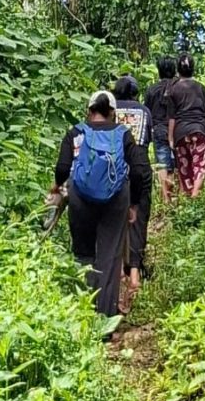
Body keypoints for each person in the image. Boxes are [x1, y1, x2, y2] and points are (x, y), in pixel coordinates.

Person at [52, 90, 152, 324]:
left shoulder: (76, 132)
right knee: (109, 258)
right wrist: (133, 204)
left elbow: (63, 168)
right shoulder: (123, 134)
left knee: (84, 255)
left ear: (89, 111)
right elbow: (138, 172)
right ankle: (105, 323)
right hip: (116, 200)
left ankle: (84, 316)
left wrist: (56, 187)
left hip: (80, 199)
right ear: (113, 113)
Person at [113, 75, 152, 311]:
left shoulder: (110, 109)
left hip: (114, 169)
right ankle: (135, 275)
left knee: (114, 221)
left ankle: (118, 273)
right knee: (139, 219)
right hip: (140, 166)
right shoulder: (144, 111)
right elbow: (146, 140)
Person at [167, 52, 205, 198]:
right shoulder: (202, 88)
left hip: (181, 133)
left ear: (178, 70)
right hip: (200, 131)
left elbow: (172, 117)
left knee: (184, 168)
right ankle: (196, 194)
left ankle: (188, 197)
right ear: (193, 68)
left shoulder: (173, 90)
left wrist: (171, 138)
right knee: (200, 165)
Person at [144, 56, 178, 203]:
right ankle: (177, 198)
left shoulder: (152, 90)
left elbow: (147, 112)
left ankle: (166, 199)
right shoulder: (180, 87)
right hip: (178, 129)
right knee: (178, 162)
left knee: (163, 164)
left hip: (159, 129)